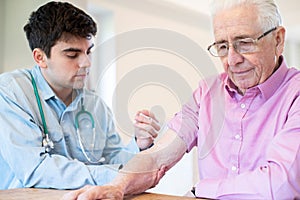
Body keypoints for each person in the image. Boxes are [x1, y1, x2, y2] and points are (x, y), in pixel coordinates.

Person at [63, 0, 300, 199]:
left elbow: (281, 183)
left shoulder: (295, 95)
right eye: (222, 46)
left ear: (278, 40)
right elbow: (158, 156)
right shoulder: (207, 92)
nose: (232, 59)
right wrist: (117, 187)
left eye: (245, 43)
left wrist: (201, 190)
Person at [0, 1, 160, 190]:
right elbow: (36, 170)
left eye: (88, 51)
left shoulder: (94, 105)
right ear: (40, 57)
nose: (86, 63)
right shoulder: (11, 92)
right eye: (72, 55)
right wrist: (117, 175)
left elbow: (113, 158)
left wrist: (139, 146)